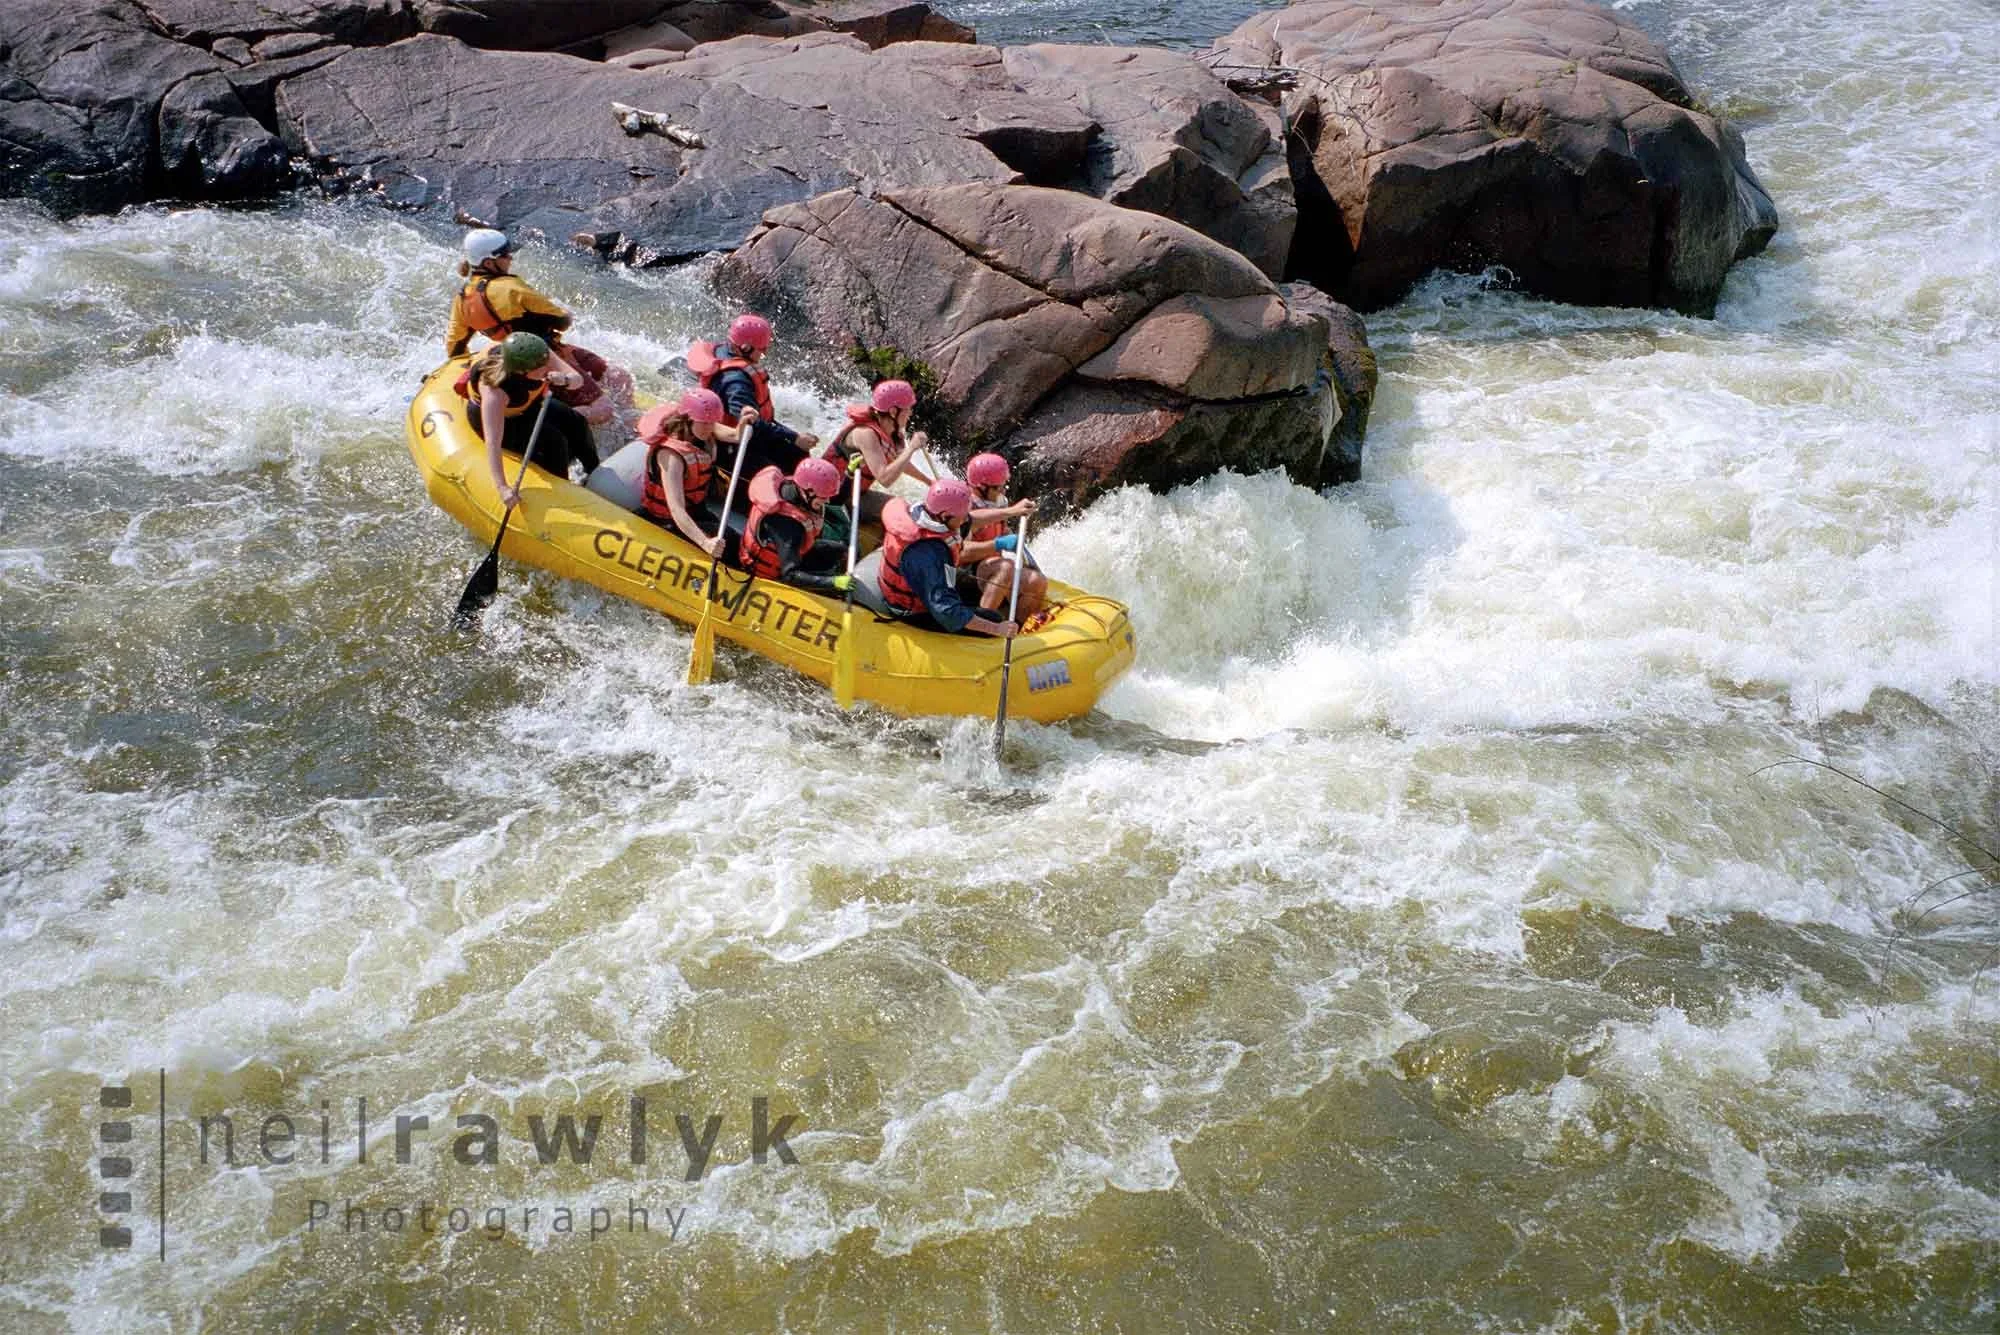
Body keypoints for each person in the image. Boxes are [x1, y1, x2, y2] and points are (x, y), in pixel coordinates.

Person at [444, 228, 635, 429]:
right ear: (489, 263)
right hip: (541, 360)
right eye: (505, 255)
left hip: (528, 355)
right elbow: (560, 320)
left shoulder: (462, 298)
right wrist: (567, 314)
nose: (510, 258)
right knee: (604, 409)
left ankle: (629, 427)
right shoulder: (511, 287)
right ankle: (547, 423)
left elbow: (455, 348)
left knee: (617, 375)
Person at [456, 332, 599, 509]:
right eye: (541, 367)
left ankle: (595, 475)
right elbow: (493, 443)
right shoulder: (495, 392)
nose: (547, 367)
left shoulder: (538, 354)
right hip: (506, 421)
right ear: (522, 371)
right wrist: (502, 488)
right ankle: (564, 493)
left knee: (577, 422)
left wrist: (565, 379)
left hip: (529, 405)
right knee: (554, 442)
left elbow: (577, 380)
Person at [875, 479, 1017, 637]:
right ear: (944, 516)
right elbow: (946, 610)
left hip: (927, 585)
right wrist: (996, 629)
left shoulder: (932, 515)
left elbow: (971, 520)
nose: (964, 520)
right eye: (962, 517)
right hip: (912, 610)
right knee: (994, 619)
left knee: (977, 597)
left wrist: (1013, 511)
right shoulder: (926, 553)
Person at [687, 313, 819, 478]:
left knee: (797, 455)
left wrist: (794, 438)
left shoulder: (725, 351)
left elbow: (760, 422)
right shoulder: (736, 383)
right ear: (745, 348)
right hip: (730, 445)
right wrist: (794, 437)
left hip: (750, 435)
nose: (762, 356)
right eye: (761, 351)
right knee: (775, 475)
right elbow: (752, 424)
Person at [637, 388, 741, 557]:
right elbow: (676, 509)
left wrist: (744, 420)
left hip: (696, 510)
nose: (709, 428)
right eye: (704, 423)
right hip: (666, 520)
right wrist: (704, 543)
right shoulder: (670, 455)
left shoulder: (704, 428)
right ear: (688, 419)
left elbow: (737, 435)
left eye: (712, 422)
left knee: (734, 541)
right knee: (727, 543)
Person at [822, 379, 933, 526]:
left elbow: (899, 462)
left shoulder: (893, 432)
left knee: (904, 507)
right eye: (908, 409)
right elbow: (885, 478)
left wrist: (929, 482)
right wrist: (911, 448)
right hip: (833, 498)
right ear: (893, 411)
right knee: (904, 513)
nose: (911, 413)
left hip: (857, 493)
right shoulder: (865, 434)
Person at [737, 458, 849, 594]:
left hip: (796, 550)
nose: (827, 500)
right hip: (773, 572)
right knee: (830, 583)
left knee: (841, 551)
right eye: (823, 496)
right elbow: (790, 575)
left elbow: (833, 499)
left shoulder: (793, 487)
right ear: (807, 491)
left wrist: (850, 475)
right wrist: (832, 583)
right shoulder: (788, 525)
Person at [959, 452, 1048, 620]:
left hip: (990, 569)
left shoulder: (1000, 501)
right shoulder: (962, 505)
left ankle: (1018, 629)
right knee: (1004, 567)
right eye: (997, 487)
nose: (1002, 490)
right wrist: (998, 543)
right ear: (980, 486)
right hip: (962, 575)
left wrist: (1008, 536)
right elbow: (961, 552)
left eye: (1003, 485)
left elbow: (1000, 529)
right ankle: (983, 626)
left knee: (1036, 580)